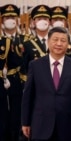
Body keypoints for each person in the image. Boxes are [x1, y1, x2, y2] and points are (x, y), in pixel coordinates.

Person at [21, 26, 71, 141]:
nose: (59, 43)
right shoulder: (35, 65)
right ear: (48, 42)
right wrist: (25, 122)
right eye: (55, 39)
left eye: (63, 40)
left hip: (68, 126)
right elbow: (28, 96)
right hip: (40, 125)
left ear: (68, 44)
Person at [0, 4, 30, 141]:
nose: (10, 19)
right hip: (1, 81)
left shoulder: (25, 40)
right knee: (2, 118)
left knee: (17, 117)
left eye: (13, 17)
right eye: (7, 17)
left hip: (19, 81)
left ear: (17, 19)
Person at [20, 4, 51, 83]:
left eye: (45, 19)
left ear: (49, 22)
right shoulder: (27, 43)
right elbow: (25, 69)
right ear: (33, 22)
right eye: (39, 19)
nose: (42, 21)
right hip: (36, 83)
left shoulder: (56, 41)